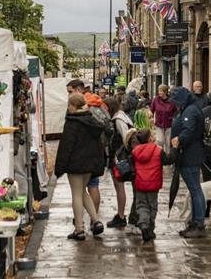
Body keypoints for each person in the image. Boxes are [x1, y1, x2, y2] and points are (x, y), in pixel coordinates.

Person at [55, 93, 106, 240]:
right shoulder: (91, 120)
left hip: (75, 164)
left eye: (69, 105)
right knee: (83, 192)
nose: (68, 108)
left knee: (76, 195)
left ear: (73, 106)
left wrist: (59, 168)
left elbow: (66, 147)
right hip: (89, 164)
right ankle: (96, 221)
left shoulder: (72, 123)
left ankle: (79, 229)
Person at [169, 85, 207, 238]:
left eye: (176, 101)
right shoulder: (189, 108)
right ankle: (196, 221)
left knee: (195, 189)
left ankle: (198, 222)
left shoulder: (190, 111)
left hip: (190, 155)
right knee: (194, 189)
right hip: (190, 154)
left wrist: (179, 139)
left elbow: (189, 129)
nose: (175, 104)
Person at [128, 128, 176, 242]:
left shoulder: (135, 152)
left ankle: (143, 225)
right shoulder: (158, 151)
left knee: (141, 206)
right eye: (153, 134)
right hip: (153, 185)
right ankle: (150, 228)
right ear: (150, 138)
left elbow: (131, 165)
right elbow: (169, 159)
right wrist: (174, 149)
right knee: (152, 207)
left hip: (140, 184)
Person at [104, 96, 133, 228]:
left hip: (118, 158)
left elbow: (127, 136)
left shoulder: (118, 120)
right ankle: (121, 215)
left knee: (119, 187)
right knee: (119, 187)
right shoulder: (122, 116)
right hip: (119, 157)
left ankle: (121, 216)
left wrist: (122, 154)